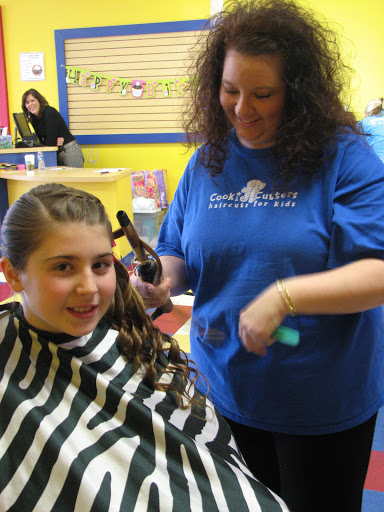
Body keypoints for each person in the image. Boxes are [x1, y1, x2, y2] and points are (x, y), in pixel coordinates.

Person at [130, 1, 384, 511]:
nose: (243, 108)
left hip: (320, 399)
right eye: (230, 90)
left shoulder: (343, 156)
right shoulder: (209, 160)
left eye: (263, 93)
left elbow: (377, 272)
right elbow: (178, 251)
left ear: (300, 93)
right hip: (223, 390)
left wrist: (284, 296)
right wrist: (161, 282)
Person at [0, 183, 289, 512]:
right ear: (13, 274)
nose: (88, 287)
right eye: (63, 267)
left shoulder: (131, 342)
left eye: (100, 265)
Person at [21, 89, 84, 168]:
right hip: (56, 152)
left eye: (32, 100)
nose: (30, 104)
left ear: (39, 101)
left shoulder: (49, 112)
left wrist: (51, 141)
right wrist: (51, 141)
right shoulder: (34, 119)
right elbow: (44, 142)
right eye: (27, 102)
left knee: (74, 179)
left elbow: (50, 142)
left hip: (69, 150)